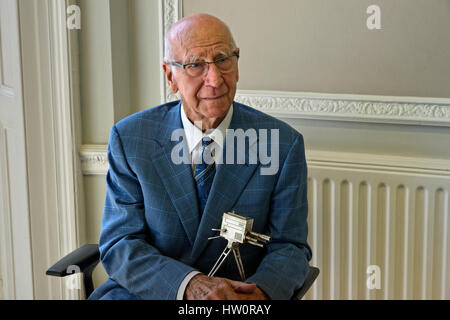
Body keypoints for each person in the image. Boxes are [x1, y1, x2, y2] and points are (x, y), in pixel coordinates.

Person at [89, 13, 311, 300]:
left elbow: (290, 247)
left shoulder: (282, 144)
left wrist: (259, 295)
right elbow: (120, 243)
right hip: (149, 291)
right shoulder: (131, 138)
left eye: (222, 59)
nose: (215, 79)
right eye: (195, 65)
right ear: (171, 77)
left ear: (237, 62)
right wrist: (189, 285)